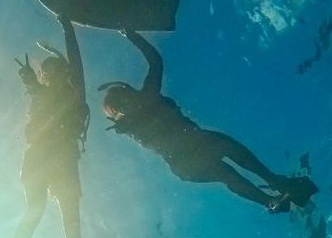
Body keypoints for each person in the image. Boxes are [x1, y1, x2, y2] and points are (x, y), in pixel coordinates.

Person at [101, 29, 316, 212]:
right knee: (227, 152)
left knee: (226, 173)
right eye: (120, 106)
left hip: (185, 165)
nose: (126, 106)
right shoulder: (146, 101)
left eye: (122, 102)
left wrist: (130, 34)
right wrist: (130, 34)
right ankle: (273, 186)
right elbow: (155, 62)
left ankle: (270, 200)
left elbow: (156, 62)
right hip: (192, 149)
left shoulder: (134, 117)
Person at [0, 15, 89, 238]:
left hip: (48, 157)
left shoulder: (68, 92)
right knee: (59, 218)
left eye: (53, 71)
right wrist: (32, 80)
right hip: (52, 158)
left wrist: (68, 28)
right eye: (48, 72)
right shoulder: (52, 93)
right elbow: (44, 88)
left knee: (50, 215)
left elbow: (74, 63)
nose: (50, 75)